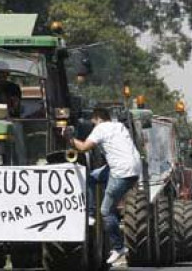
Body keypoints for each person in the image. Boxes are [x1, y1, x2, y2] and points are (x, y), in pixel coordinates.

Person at [67, 108, 142, 265]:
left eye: (93, 122)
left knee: (106, 211)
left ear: (98, 119)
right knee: (91, 178)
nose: (92, 125)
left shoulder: (100, 128)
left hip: (121, 171)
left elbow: (83, 148)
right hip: (134, 168)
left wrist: (70, 138)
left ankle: (118, 247)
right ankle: (91, 214)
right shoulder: (120, 126)